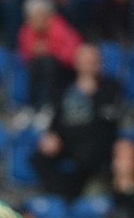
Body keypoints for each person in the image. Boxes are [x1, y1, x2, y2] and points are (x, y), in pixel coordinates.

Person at [30, 42, 122, 200]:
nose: (87, 66)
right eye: (84, 61)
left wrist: (93, 94)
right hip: (67, 141)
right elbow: (57, 118)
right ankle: (63, 196)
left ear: (99, 64)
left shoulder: (109, 87)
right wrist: (52, 135)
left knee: (88, 155)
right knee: (38, 157)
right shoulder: (65, 88)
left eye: (91, 62)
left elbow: (109, 121)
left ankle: (71, 196)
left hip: (94, 143)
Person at [16, 0, 82, 114]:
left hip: (65, 71)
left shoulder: (61, 29)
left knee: (47, 62)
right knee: (37, 62)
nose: (35, 20)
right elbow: (21, 57)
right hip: (37, 70)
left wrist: (50, 50)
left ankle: (50, 106)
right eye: (31, 17)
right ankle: (31, 107)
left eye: (38, 16)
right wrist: (32, 52)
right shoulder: (26, 31)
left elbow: (72, 56)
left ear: (47, 15)